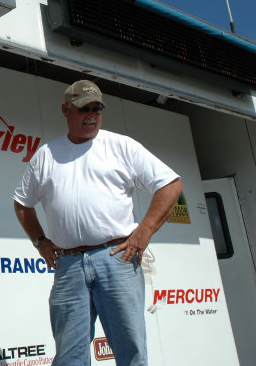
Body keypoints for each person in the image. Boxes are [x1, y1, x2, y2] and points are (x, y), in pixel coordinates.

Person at [13, 80, 183, 366]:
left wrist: (144, 231)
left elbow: (170, 184)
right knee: (69, 355)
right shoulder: (46, 155)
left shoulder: (121, 145)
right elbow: (22, 203)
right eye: (84, 109)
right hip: (68, 265)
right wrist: (40, 242)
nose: (91, 116)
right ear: (66, 110)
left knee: (131, 352)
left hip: (117, 258)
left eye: (97, 109)